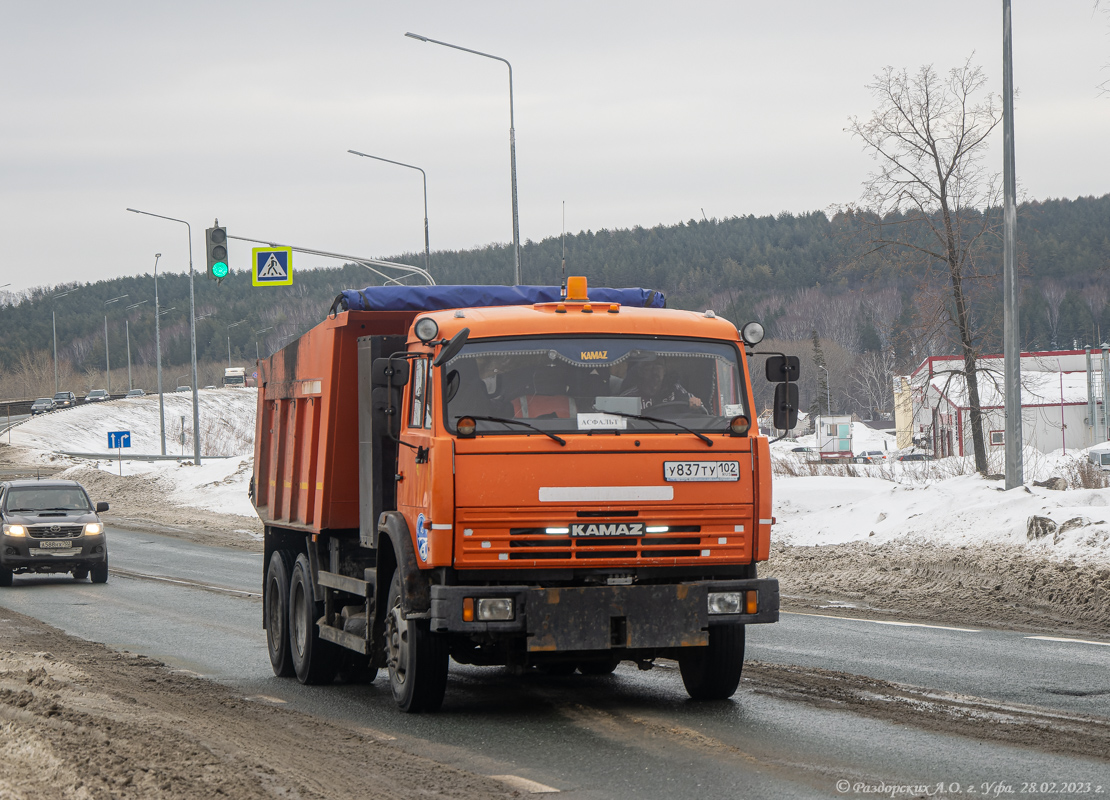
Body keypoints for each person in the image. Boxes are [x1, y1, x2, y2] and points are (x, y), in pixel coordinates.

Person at [619, 357, 702, 410]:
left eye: (659, 365)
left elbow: (698, 404)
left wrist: (694, 403)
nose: (655, 369)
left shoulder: (675, 390)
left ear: (665, 371)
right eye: (648, 365)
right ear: (641, 372)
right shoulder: (629, 397)